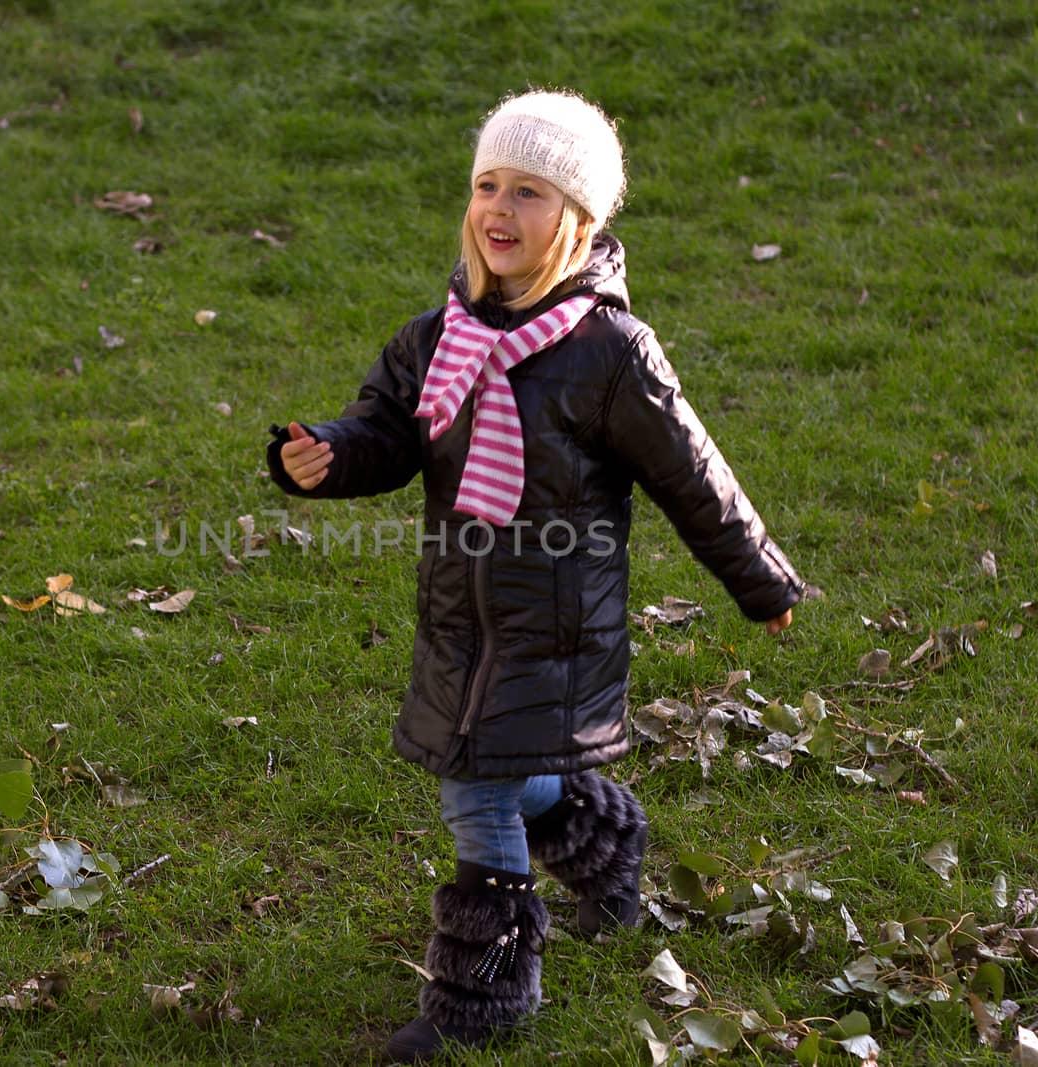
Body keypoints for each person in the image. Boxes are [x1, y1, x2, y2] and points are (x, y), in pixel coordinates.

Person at [266, 89, 802, 1062]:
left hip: (558, 623)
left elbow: (693, 476)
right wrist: (328, 455)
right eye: (486, 186)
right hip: (459, 617)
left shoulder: (608, 353)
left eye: (530, 192)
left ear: (581, 218)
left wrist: (760, 582)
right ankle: (607, 847)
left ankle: (481, 995)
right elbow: (387, 429)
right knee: (514, 776)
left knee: (475, 791)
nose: (499, 211)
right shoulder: (438, 336)